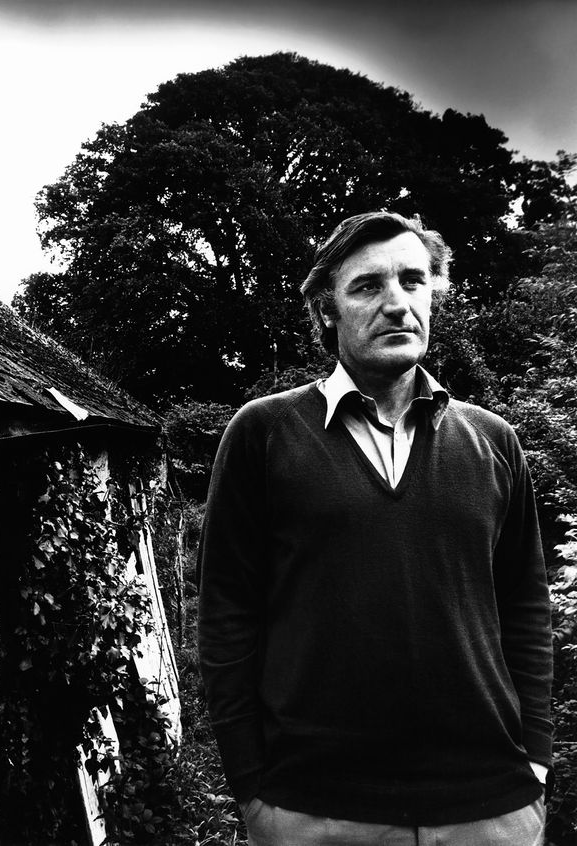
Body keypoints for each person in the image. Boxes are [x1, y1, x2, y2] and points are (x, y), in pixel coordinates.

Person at [197, 211, 553, 846]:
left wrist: (537, 760)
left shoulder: (494, 441)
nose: (397, 304)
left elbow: (526, 606)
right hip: (315, 810)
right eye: (367, 286)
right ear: (327, 309)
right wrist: (252, 786)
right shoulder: (264, 433)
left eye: (414, 281)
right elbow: (227, 616)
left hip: (490, 807)